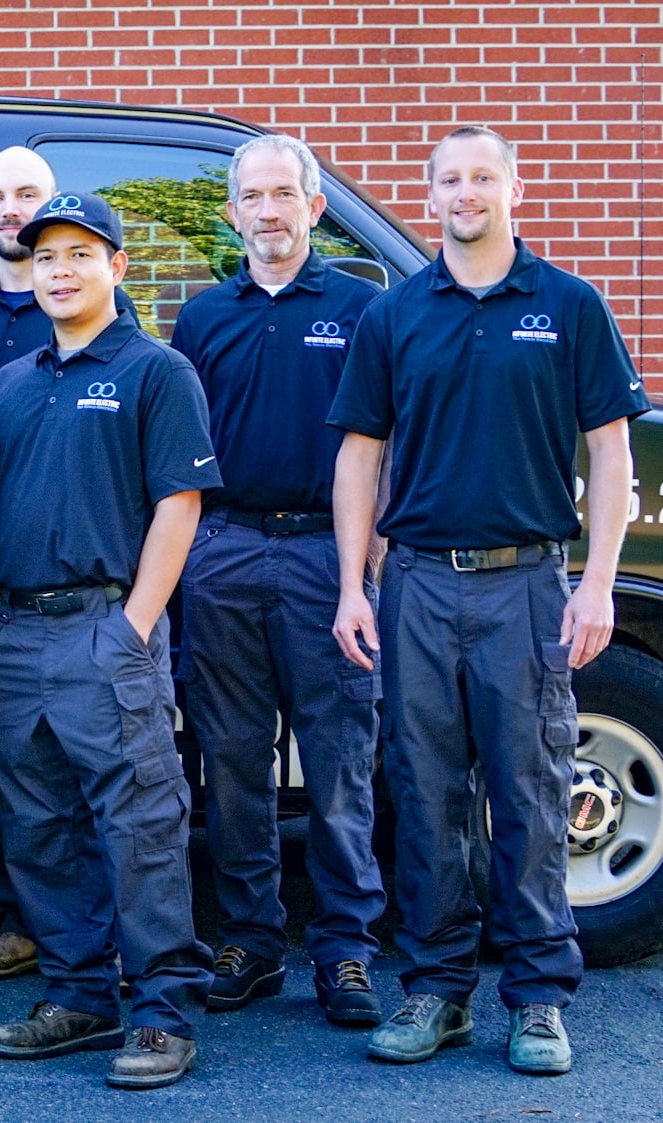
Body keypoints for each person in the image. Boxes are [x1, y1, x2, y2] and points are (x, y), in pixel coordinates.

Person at [330, 126, 646, 1076]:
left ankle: (540, 997)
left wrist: (595, 582)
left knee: (530, 791)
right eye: (449, 179)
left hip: (527, 584)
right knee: (425, 797)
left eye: (482, 176)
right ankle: (436, 990)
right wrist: (353, 582)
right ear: (430, 195)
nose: (465, 192)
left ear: (515, 186)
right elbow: (359, 454)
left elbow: (611, 449)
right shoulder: (396, 315)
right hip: (417, 581)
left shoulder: (569, 304)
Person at [0, 192, 218, 1089]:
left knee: (140, 825)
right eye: (46, 257)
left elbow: (178, 506)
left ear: (117, 267)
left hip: (107, 628)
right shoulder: (12, 381)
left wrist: (134, 626)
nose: (60, 269)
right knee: (39, 825)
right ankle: (77, 993)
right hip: (18, 635)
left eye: (80, 253)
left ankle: (161, 1011)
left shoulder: (157, 371)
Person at [168, 134, 386, 1026]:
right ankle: (252, 942)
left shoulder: (366, 309)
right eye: (251, 197)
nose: (267, 211)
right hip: (221, 551)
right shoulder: (201, 317)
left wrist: (363, 565)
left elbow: (384, 444)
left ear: (314, 206)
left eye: (282, 195)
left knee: (340, 762)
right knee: (233, 763)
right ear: (232, 212)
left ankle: (346, 951)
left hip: (324, 555)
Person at [0, 145, 136, 985]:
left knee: (100, 771)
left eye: (27, 195)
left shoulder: (121, 336)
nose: (10, 209)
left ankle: (111, 941)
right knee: (12, 761)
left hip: (91, 582)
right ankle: (25, 920)